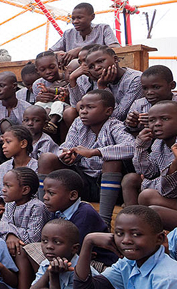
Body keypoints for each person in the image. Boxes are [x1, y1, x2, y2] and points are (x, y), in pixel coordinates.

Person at [39, 90, 135, 228]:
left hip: (110, 186)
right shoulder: (78, 123)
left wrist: (95, 152)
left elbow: (132, 147)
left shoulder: (114, 126)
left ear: (108, 111)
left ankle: (104, 222)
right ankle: (43, 213)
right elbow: (67, 146)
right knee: (46, 158)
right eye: (82, 107)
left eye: (90, 107)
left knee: (111, 161)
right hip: (82, 181)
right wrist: (67, 155)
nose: (83, 111)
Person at [0, 166, 49, 289]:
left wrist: (9, 232)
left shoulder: (37, 207)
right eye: (3, 185)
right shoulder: (10, 203)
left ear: (25, 190)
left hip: (30, 252)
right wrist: (10, 235)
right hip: (11, 244)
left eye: (8, 186)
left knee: (20, 251)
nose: (3, 189)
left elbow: (32, 238)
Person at [124, 99, 177, 207]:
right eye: (152, 120)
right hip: (168, 190)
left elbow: (172, 190)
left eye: (165, 119)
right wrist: (141, 146)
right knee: (130, 179)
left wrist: (147, 183)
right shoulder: (159, 143)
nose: (157, 124)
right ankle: (130, 217)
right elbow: (147, 172)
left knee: (147, 196)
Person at [68, 45, 143, 123]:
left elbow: (118, 116)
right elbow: (78, 106)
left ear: (115, 59)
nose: (96, 68)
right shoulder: (98, 78)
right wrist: (72, 79)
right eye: (91, 66)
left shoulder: (135, 79)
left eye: (100, 61)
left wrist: (103, 88)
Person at [124, 64, 177, 131]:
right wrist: (132, 124)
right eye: (145, 88)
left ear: (172, 85)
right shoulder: (139, 104)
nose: (149, 92)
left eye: (156, 87)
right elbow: (128, 130)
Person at [49, 1, 117, 59]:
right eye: (73, 19)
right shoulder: (68, 34)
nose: (75, 21)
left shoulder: (103, 29)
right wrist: (57, 54)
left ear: (92, 17)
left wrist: (81, 50)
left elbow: (115, 48)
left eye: (79, 18)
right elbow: (49, 53)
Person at [31, 51, 74, 134]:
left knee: (64, 111)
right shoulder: (37, 84)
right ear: (37, 70)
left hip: (65, 109)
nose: (48, 71)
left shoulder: (67, 78)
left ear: (58, 64)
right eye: (43, 69)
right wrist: (39, 99)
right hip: (50, 109)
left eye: (52, 67)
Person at [0, 125, 38, 195]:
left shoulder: (36, 167)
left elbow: (36, 194)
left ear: (23, 143)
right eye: (3, 142)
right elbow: (0, 193)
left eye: (8, 142)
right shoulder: (3, 167)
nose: (3, 146)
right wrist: (1, 203)